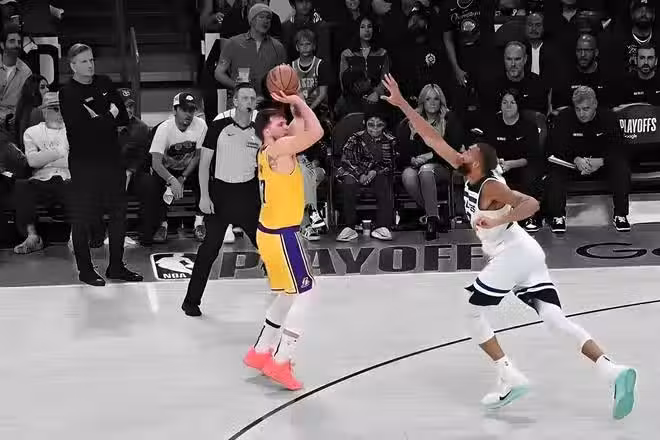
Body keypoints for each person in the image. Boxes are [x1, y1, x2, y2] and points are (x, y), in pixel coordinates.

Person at [380, 73, 637, 419]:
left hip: (512, 254)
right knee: (555, 320)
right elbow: (431, 137)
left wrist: (500, 218)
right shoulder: (468, 170)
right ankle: (613, 371)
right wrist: (402, 104)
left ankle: (508, 375)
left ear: (479, 162)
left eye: (469, 150)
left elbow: (531, 203)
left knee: (470, 311)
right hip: (525, 252)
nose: (462, 150)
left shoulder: (490, 186)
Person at [242, 90, 323, 391]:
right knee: (306, 293)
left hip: (267, 232)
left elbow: (299, 128)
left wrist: (295, 107)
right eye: (280, 124)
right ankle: (281, 360)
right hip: (283, 236)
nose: (286, 126)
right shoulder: (281, 150)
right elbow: (316, 132)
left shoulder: (267, 151)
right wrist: (299, 102)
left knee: (287, 294)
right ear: (267, 130)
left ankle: (261, 350)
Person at [60, 43, 142, 286]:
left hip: (111, 158)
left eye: (91, 60)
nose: (90, 65)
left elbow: (123, 117)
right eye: (84, 61)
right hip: (84, 162)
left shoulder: (105, 82)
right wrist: (108, 116)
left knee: (119, 215)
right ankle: (85, 270)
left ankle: (116, 266)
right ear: (73, 66)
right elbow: (82, 130)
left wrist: (99, 118)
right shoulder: (67, 93)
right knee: (82, 217)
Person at [181, 83, 261, 317]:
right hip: (220, 194)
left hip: (248, 194)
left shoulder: (261, 129)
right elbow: (204, 164)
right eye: (244, 98)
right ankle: (191, 301)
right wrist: (204, 196)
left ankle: (284, 289)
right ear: (234, 101)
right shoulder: (218, 126)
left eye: (252, 98)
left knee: (267, 245)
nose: (249, 102)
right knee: (209, 250)